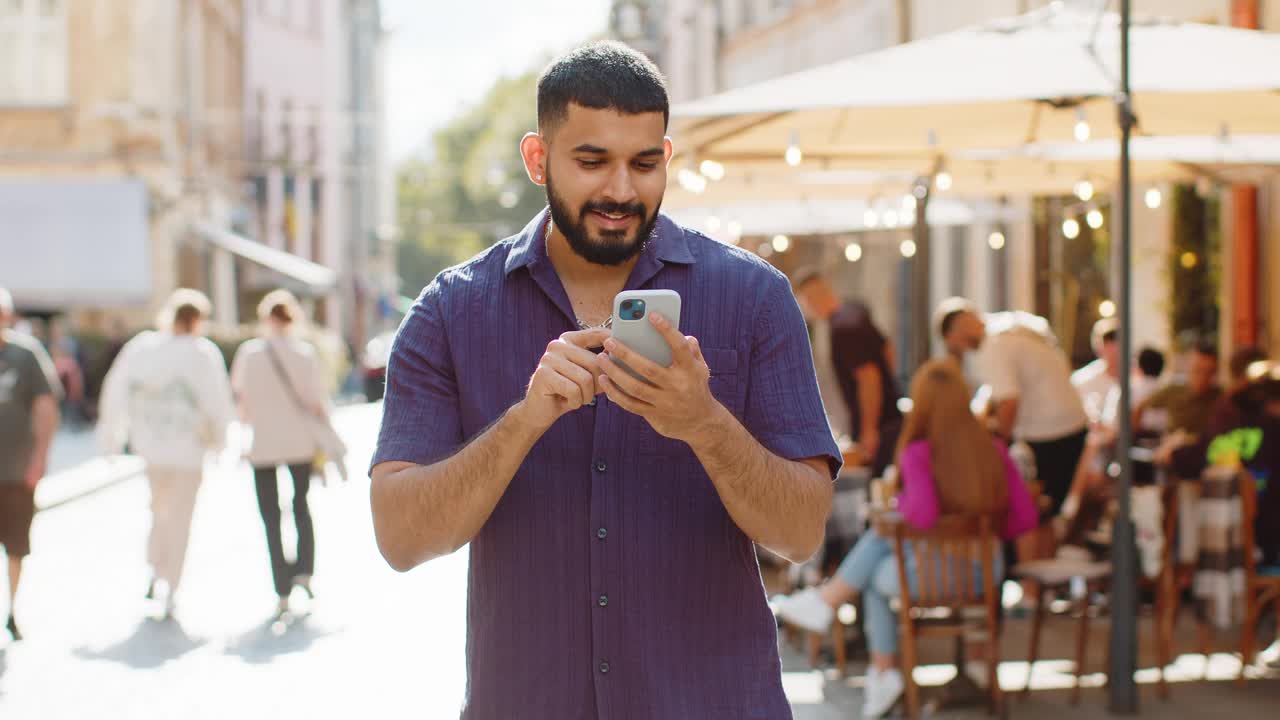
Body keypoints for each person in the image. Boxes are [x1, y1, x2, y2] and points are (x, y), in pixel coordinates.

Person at [368, 42, 840, 720]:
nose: (621, 189)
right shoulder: (451, 311)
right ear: (538, 159)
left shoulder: (755, 299)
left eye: (644, 163)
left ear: (667, 159)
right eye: (592, 161)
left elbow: (800, 533)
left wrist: (703, 423)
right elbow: (400, 540)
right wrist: (524, 422)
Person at [774, 360, 1037, 718]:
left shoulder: (918, 453)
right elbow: (1025, 518)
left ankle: (876, 663)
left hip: (932, 577)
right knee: (878, 565)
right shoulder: (994, 448)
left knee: (874, 573)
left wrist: (901, 500)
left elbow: (923, 514)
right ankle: (839, 619)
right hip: (987, 575)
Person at [97, 289, 235, 618]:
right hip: (188, 451)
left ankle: (155, 569)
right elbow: (217, 401)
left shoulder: (142, 348)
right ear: (197, 320)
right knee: (180, 518)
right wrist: (220, 443)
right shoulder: (202, 353)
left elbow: (115, 389)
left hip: (151, 446)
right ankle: (171, 582)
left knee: (158, 511)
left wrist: (112, 438)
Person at [935, 297, 1088, 517]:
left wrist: (997, 445)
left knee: (1033, 511)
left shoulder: (992, 346)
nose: (960, 350)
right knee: (1046, 510)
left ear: (955, 333)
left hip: (1050, 433)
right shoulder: (1011, 328)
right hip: (1070, 424)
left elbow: (1008, 402)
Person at [230, 290, 330, 618]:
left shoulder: (249, 354)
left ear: (265, 318)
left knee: (271, 517)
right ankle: (304, 570)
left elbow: (241, 402)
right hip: (299, 442)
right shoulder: (305, 354)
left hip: (264, 444)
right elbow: (317, 403)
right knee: (301, 506)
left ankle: (282, 586)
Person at [793, 270, 903, 475]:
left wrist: (869, 429)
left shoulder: (844, 327)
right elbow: (887, 350)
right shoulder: (853, 311)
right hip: (888, 418)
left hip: (880, 426)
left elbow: (869, 377)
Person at [0, 287, 60, 640]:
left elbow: (46, 407)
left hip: (16, 471)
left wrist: (39, 458)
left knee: (16, 546)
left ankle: (12, 609)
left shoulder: (26, 356)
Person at [1134, 343, 1221, 447]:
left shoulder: (1220, 397)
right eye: (1197, 370)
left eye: (1208, 372)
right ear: (1189, 368)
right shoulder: (1174, 390)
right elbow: (1142, 406)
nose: (1202, 377)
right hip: (1173, 451)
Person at [1072, 319, 1119, 425]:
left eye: (1116, 340)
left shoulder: (1137, 378)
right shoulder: (1081, 380)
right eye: (1107, 341)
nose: (1113, 347)